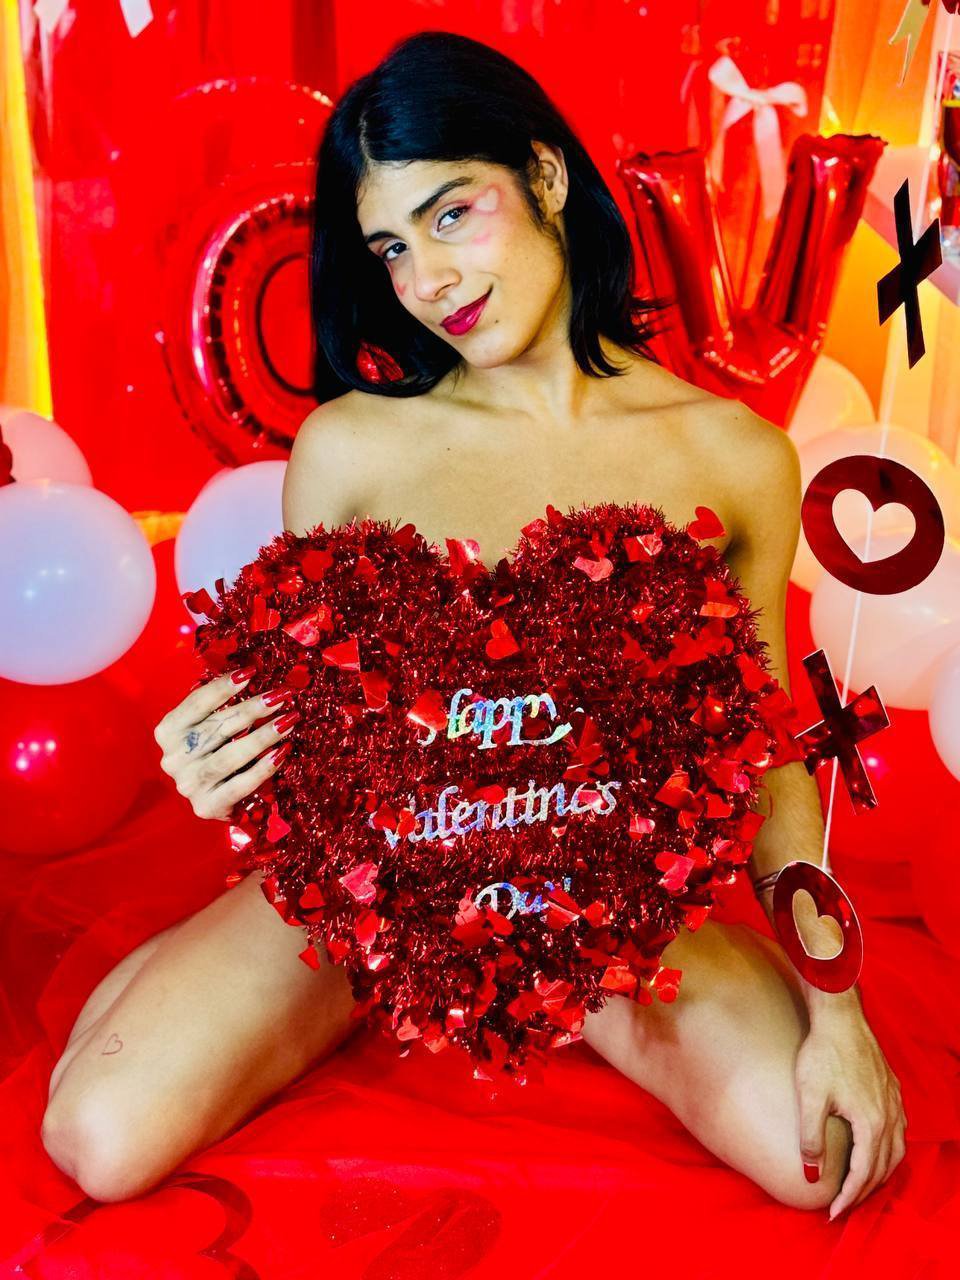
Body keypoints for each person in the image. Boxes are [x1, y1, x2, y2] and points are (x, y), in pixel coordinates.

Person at [41, 29, 905, 1216]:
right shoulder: (350, 447)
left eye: (452, 213)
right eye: (393, 247)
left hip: (607, 908)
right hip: (379, 892)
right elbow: (309, 724)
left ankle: (572, 1001)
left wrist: (835, 1008)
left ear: (543, 175)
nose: (430, 280)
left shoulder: (734, 456)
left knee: (823, 1157)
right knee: (96, 1136)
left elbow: (767, 750)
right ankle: (301, 979)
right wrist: (223, 759)